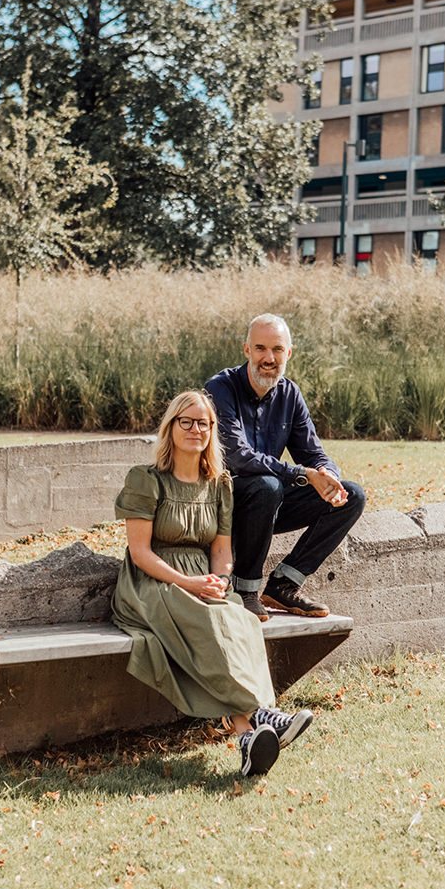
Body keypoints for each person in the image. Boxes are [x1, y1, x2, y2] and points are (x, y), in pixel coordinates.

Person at [111, 389, 314, 778]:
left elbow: (221, 551)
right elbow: (140, 553)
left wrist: (220, 581)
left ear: (211, 431)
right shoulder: (146, 480)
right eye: (185, 421)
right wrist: (189, 583)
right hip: (151, 583)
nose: (195, 429)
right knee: (208, 625)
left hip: (202, 579)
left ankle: (247, 736)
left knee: (240, 621)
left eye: (203, 423)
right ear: (170, 429)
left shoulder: (220, 484)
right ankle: (263, 714)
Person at [205, 314, 366, 622]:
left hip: (270, 503)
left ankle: (284, 584)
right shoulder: (221, 388)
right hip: (224, 505)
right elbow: (239, 457)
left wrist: (327, 475)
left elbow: (313, 451)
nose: (269, 358)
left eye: (277, 349)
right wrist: (304, 474)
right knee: (267, 485)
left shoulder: (290, 394)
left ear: (288, 353)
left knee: (353, 496)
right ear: (246, 351)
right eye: (261, 348)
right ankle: (245, 589)